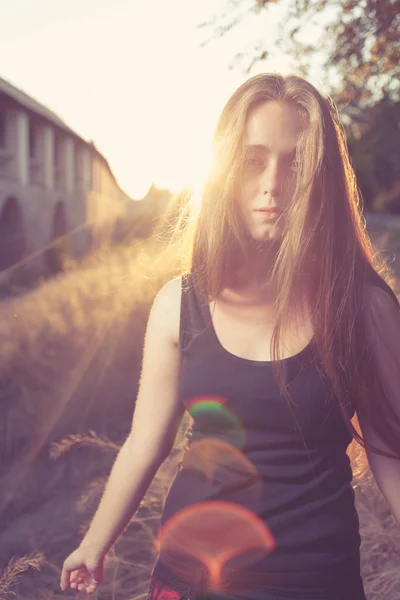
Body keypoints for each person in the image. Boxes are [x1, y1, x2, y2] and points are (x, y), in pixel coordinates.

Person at [60, 73, 400, 600]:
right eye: (252, 160)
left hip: (313, 581)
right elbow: (145, 443)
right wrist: (93, 542)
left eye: (296, 163)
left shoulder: (365, 308)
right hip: (190, 578)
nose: (273, 183)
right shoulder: (179, 305)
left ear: (323, 178)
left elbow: (389, 451)